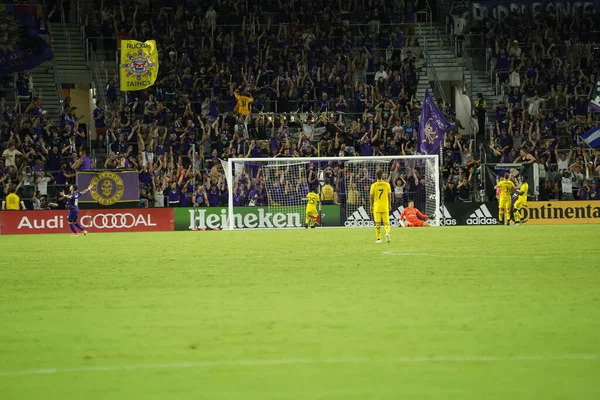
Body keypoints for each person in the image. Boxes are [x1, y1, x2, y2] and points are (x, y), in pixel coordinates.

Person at [369, 169, 392, 243]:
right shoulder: (387, 184)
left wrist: (371, 206)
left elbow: (371, 196)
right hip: (385, 206)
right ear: (382, 175)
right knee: (386, 222)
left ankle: (379, 239)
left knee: (378, 223)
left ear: (376, 176)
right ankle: (387, 233)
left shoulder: (373, 185)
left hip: (377, 206)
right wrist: (389, 204)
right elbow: (389, 195)